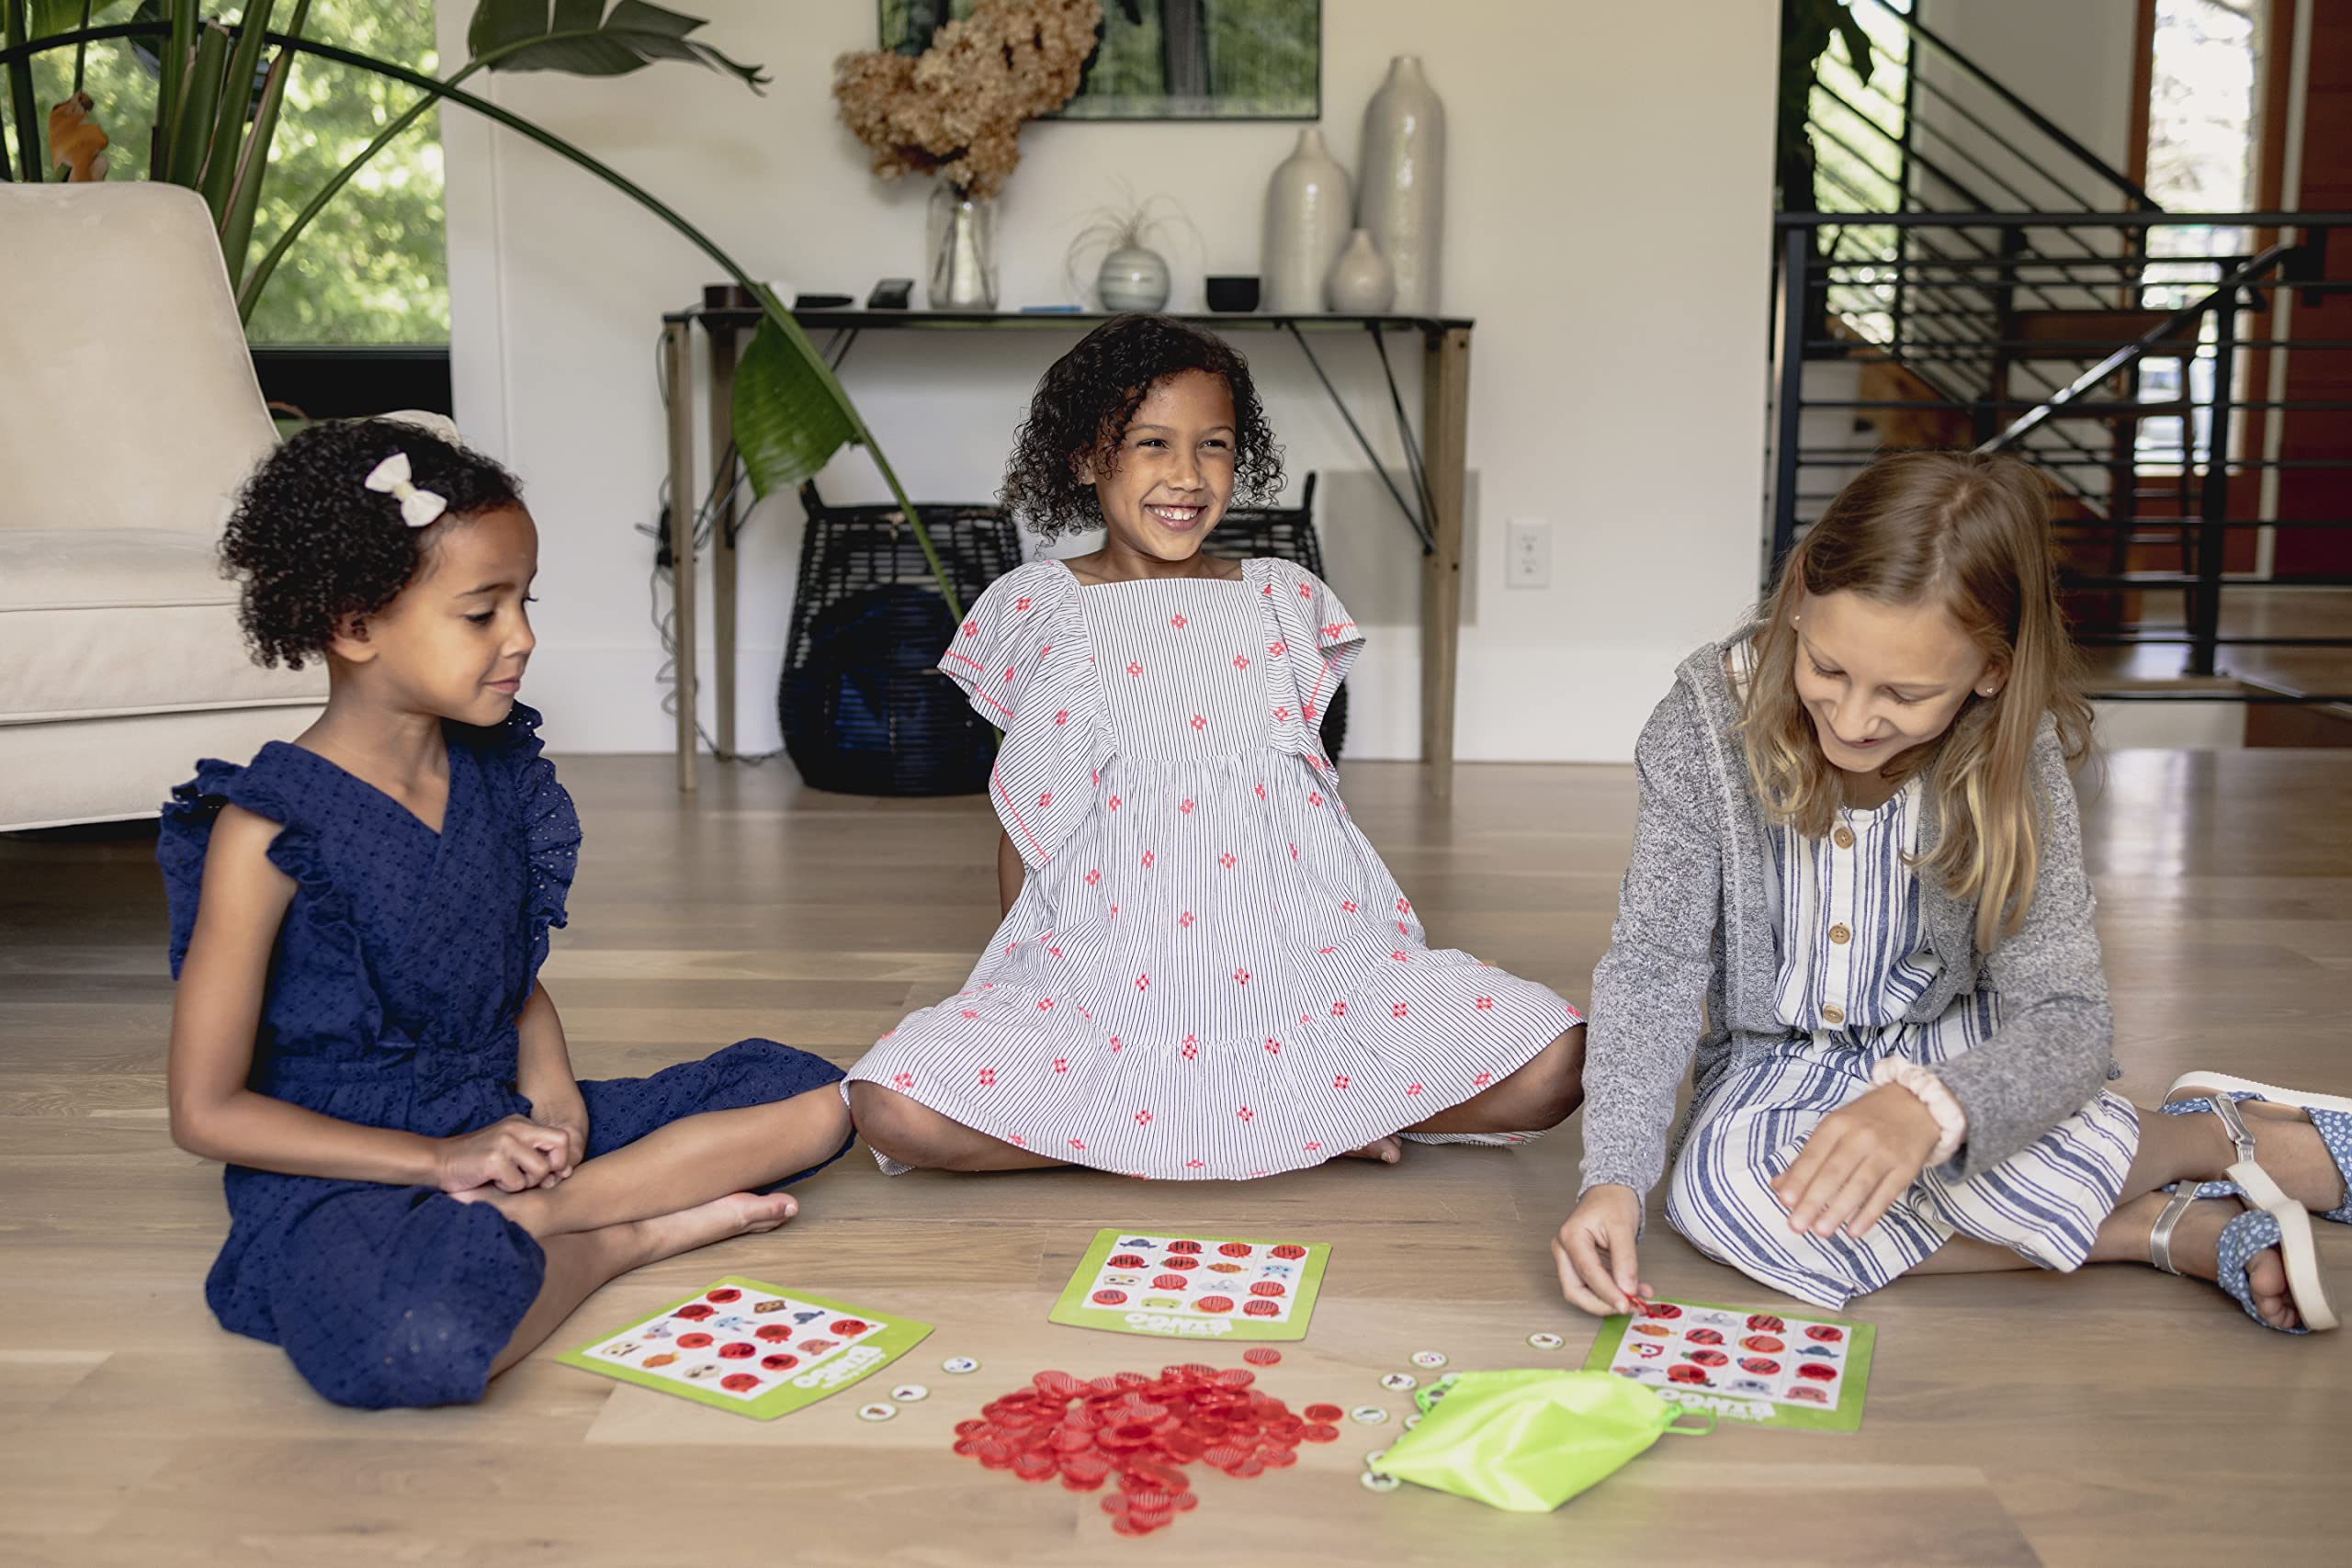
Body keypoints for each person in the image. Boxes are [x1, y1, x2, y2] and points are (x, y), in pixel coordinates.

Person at [1554, 451, 2347, 1335]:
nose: (1852, 721)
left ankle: (2213, 1136)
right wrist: (1613, 1177)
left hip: (1956, 1052)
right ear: (1798, 602)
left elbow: (2068, 1016)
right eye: (1826, 667)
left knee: (1986, 1133)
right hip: (1774, 1062)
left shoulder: (2017, 751)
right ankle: (2151, 1226)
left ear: (1991, 671)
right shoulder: (1704, 718)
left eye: (1904, 693)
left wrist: (1937, 1110)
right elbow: (1652, 967)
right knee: (1718, 1202)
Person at [160, 418, 854, 1408]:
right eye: (482, 612)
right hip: (351, 1164)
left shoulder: (491, 769)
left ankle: (544, 1213)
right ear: (353, 623)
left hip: (506, 1125)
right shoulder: (263, 829)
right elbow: (205, 1112)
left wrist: (557, 1096)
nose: (521, 637)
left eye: (524, 603)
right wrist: (442, 1158)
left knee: (821, 1099)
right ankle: (619, 1238)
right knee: (409, 1342)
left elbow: (505, 976)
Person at [845, 314, 1584, 1179]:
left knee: (1557, 1055)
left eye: (1215, 446)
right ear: (1087, 457)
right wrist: (1025, 984)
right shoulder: (1040, 604)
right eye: (1152, 442)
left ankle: (1263, 1113)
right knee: (888, 1104)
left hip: (1300, 971)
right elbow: (1028, 815)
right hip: (1115, 972)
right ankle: (1219, 1124)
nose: (1187, 476)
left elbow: (1317, 817)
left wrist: (1388, 968)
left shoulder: (1281, 596)